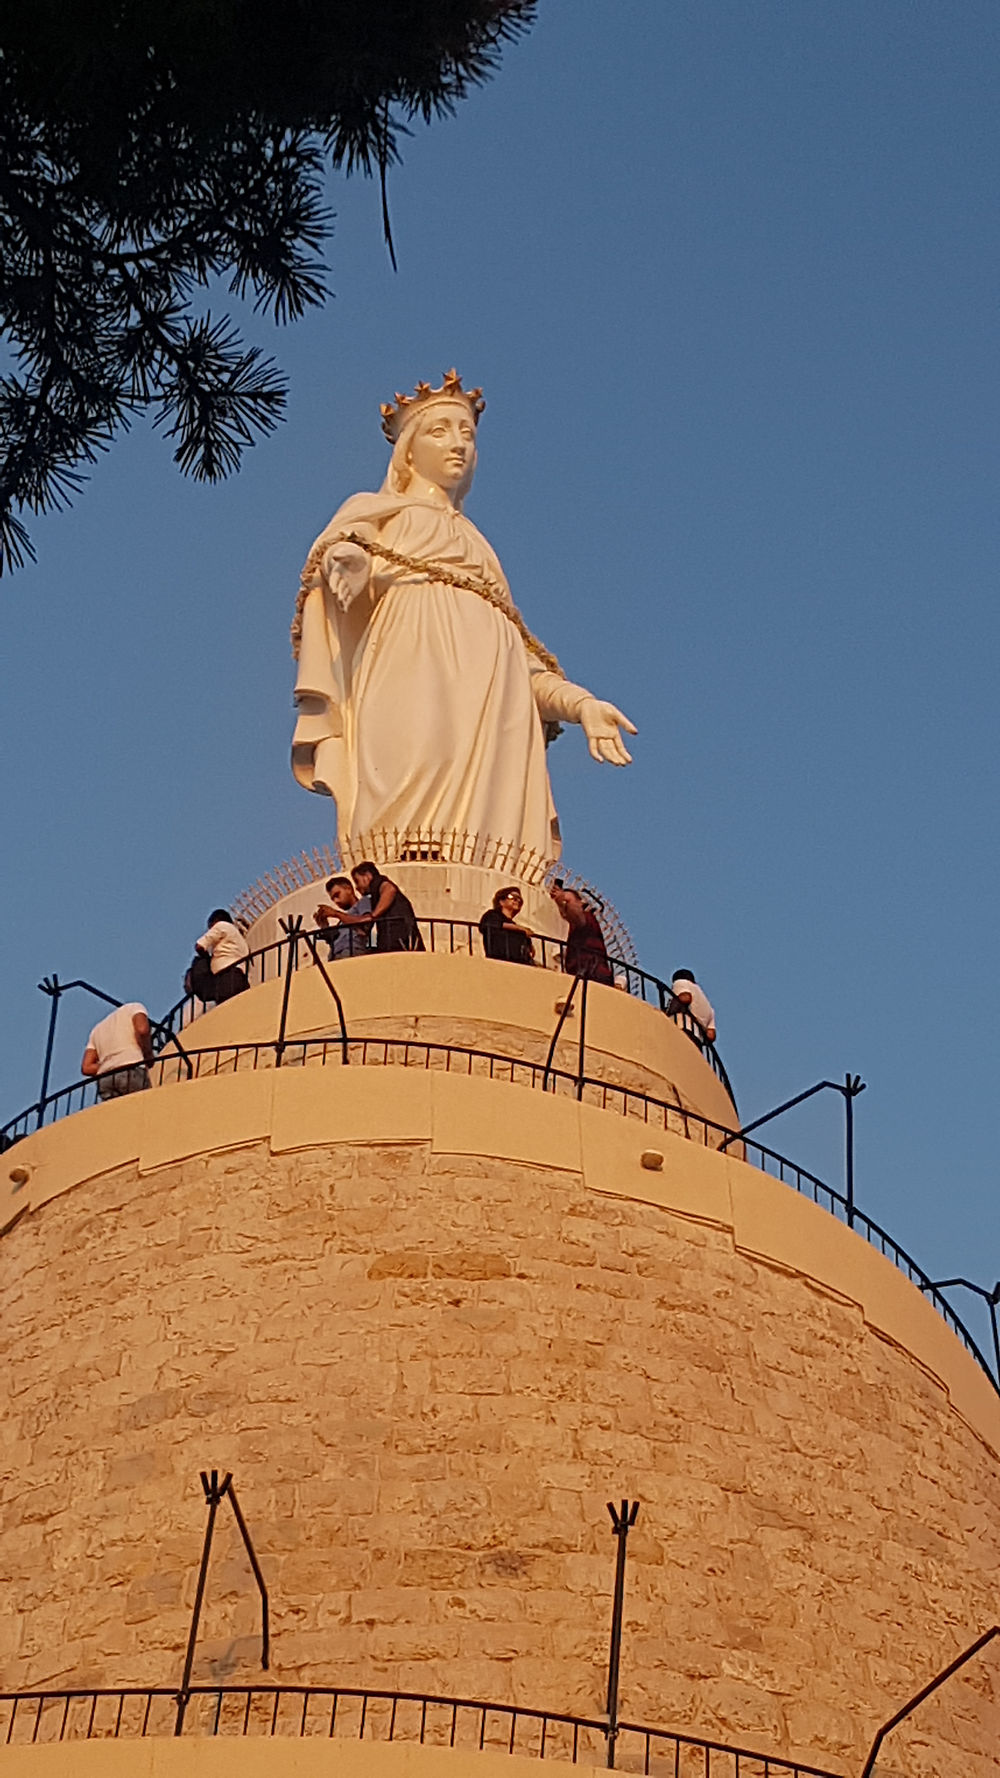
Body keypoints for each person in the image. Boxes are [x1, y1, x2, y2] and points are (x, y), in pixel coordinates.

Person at [291, 371, 637, 860]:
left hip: (493, 709)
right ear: (407, 450)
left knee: (487, 842)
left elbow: (521, 663)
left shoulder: (480, 548)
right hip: (409, 667)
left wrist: (581, 704)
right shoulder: (377, 513)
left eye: (467, 434)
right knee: (410, 782)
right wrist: (348, 564)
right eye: (440, 431)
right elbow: (340, 559)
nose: (458, 445)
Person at [328, 862, 425, 953]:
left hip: (400, 941)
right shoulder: (374, 895)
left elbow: (389, 889)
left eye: (357, 881)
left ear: (367, 876)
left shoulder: (378, 883)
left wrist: (373, 915)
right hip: (395, 941)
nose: (357, 887)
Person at [81, 1002, 154, 1099]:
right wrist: (148, 1055)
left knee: (116, 1112)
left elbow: (86, 1067)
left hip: (105, 1079)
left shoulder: (97, 1030)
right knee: (142, 1108)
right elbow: (142, 1029)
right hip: (131, 1069)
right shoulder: (135, 1007)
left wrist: (107, 1064)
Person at [549, 884, 614, 987]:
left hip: (594, 975)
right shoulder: (574, 929)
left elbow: (577, 917)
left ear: (581, 903)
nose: (565, 908)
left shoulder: (588, 918)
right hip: (581, 975)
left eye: (568, 902)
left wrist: (561, 900)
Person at [195, 908, 250, 1001]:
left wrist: (206, 959)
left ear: (215, 922)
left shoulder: (221, 926)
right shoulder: (241, 941)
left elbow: (199, 946)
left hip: (226, 978)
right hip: (240, 979)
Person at [313, 876, 372, 959]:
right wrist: (324, 925)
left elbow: (366, 921)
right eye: (333, 899)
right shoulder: (343, 919)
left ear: (348, 889)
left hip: (351, 952)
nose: (336, 901)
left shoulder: (363, 902)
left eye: (337, 895)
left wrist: (336, 914)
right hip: (335, 955)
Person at [479, 886, 536, 965]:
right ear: (501, 901)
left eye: (519, 899)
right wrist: (520, 928)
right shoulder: (491, 915)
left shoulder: (517, 928)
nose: (516, 900)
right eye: (511, 897)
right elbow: (490, 924)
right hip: (499, 961)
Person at [667, 969, 716, 1044]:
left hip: (682, 1028)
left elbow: (686, 997)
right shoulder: (709, 1007)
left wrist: (668, 1013)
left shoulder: (681, 982)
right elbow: (711, 1035)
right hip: (697, 1040)